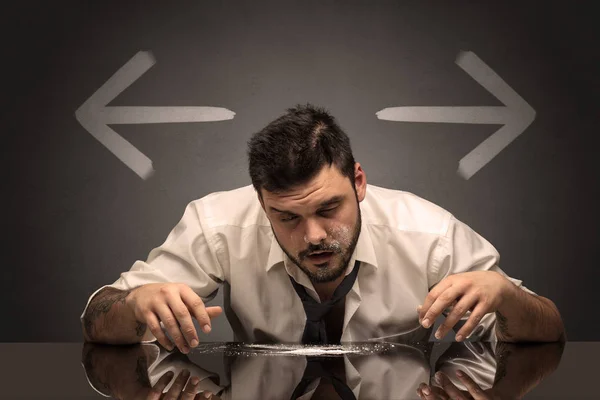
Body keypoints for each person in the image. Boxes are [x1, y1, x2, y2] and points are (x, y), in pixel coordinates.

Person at [81, 104, 565, 354]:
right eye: (286, 217)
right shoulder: (217, 224)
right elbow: (97, 322)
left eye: (329, 208)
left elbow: (549, 331)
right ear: (260, 201)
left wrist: (503, 294)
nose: (313, 235)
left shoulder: (429, 234)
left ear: (358, 181)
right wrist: (136, 305)